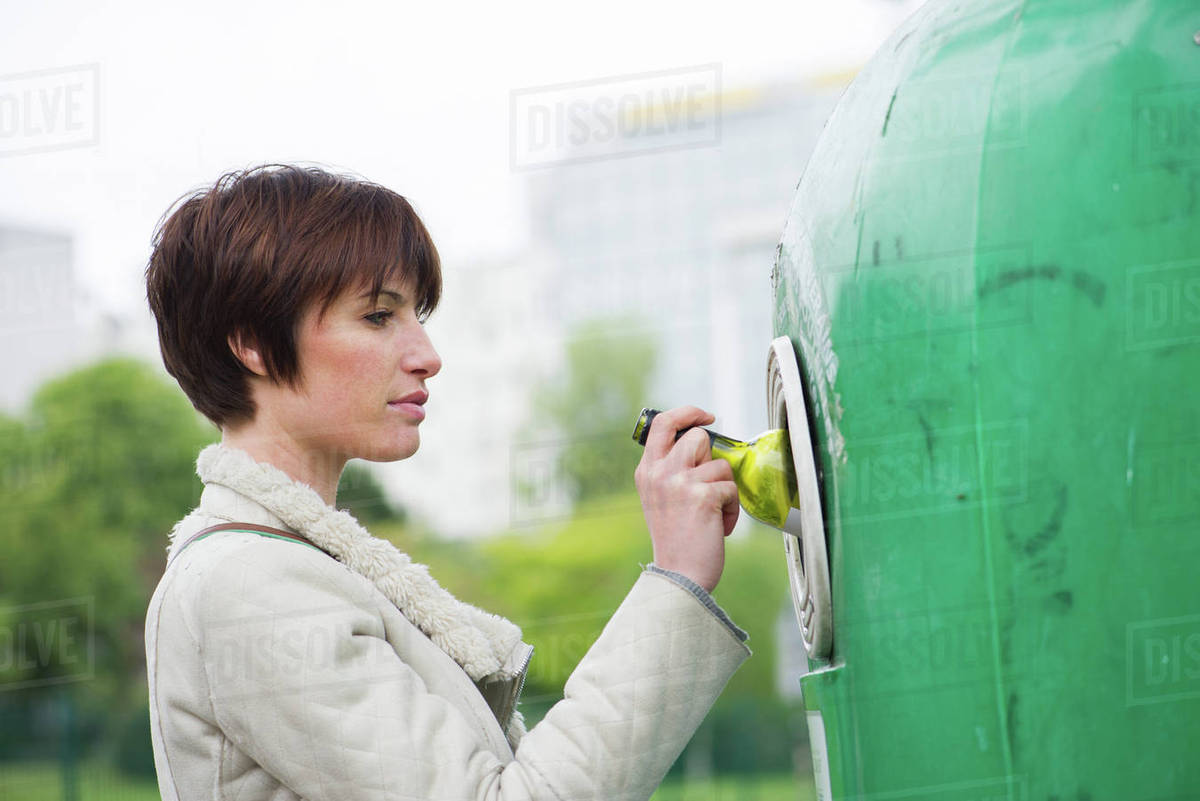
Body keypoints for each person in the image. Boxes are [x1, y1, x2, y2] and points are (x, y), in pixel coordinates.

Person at [142, 163, 750, 801]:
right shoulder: (250, 585)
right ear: (253, 346)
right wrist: (677, 578)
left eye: (416, 314)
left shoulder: (291, 565)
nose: (427, 355)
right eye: (378, 316)